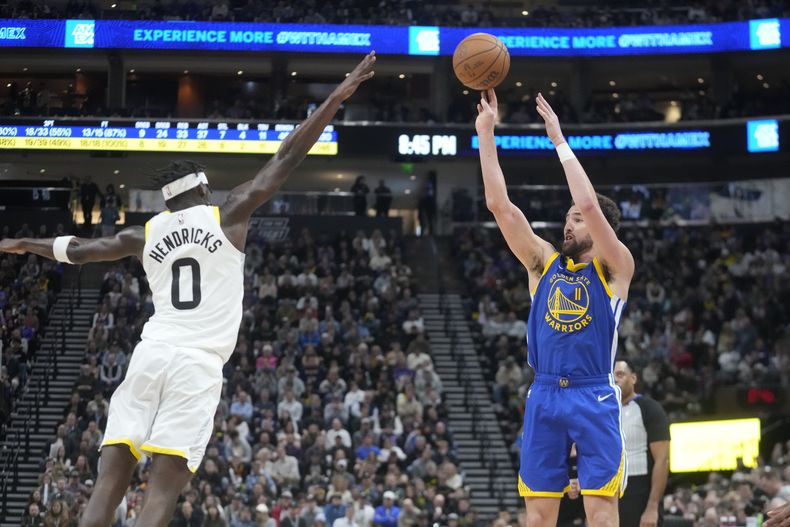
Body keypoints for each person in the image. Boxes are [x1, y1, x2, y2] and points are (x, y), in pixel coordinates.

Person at [0, 51, 376, 527]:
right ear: (201, 190)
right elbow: (287, 155)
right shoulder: (231, 214)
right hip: (197, 364)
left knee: (110, 478)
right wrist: (336, 98)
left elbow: (79, 249)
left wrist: (24, 243)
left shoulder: (145, 234)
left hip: (152, 353)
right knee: (163, 490)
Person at [476, 89, 635, 527]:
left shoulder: (616, 265)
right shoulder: (542, 263)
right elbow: (499, 206)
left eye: (577, 220)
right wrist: (485, 135)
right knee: (538, 517)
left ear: (603, 230)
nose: (569, 221)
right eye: (567, 217)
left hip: (594, 393)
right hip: (544, 392)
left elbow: (588, 202)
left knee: (601, 515)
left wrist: (558, 140)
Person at [614, 360, 670, 527]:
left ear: (633, 378)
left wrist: (652, 507)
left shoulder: (650, 408)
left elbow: (662, 460)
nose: (615, 379)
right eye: (612, 376)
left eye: (620, 374)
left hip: (640, 492)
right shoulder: (604, 411)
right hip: (612, 492)